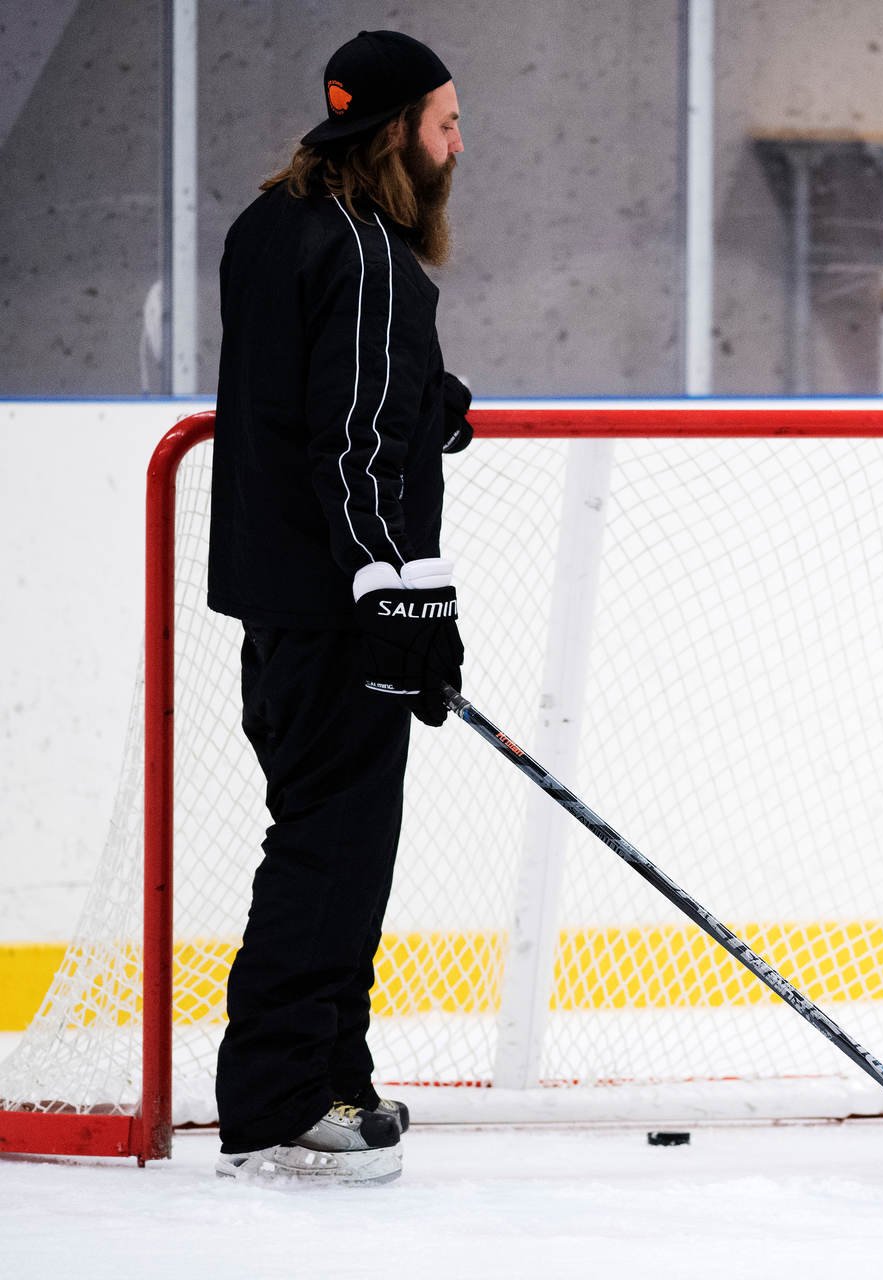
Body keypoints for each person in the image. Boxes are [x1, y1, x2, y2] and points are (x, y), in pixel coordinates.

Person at [206, 29, 471, 1185]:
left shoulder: (273, 228)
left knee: (329, 839)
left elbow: (319, 389)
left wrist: (428, 397)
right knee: (329, 852)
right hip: (339, 605)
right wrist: (395, 601)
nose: (460, 143)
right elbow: (349, 445)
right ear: (396, 128)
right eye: (447, 122)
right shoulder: (366, 252)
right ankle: (280, 1099)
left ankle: (333, 1073)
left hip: (283, 603)